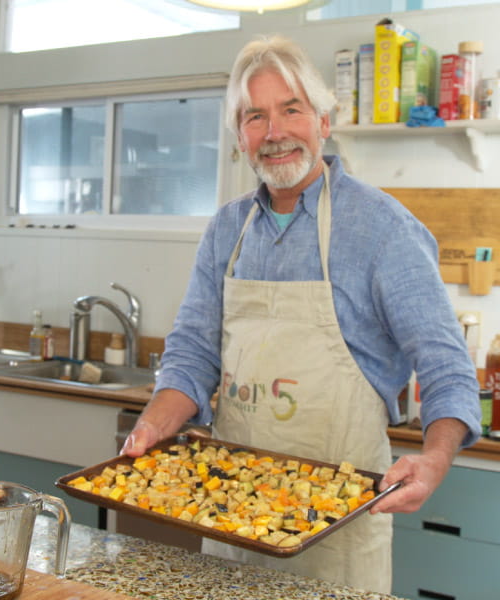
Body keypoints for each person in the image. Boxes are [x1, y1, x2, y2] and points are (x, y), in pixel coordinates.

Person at [121, 34, 481, 593]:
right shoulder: (226, 230)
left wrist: (432, 462)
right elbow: (191, 356)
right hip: (231, 518)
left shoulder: (383, 229)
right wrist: (152, 427)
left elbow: (446, 368)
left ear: (323, 121)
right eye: (255, 117)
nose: (275, 132)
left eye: (291, 109)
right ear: (240, 138)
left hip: (338, 535)